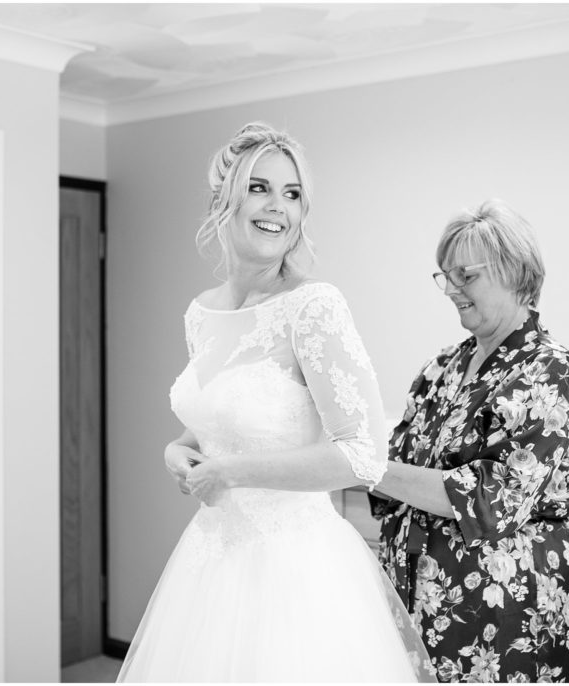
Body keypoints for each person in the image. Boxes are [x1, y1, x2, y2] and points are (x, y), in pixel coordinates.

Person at [117, 122, 432, 682]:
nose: (277, 207)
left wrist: (230, 473)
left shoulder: (313, 307)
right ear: (225, 198)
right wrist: (178, 450)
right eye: (260, 187)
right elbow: (224, 422)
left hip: (296, 572)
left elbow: (363, 455)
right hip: (212, 562)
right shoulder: (201, 314)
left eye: (292, 194)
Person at [370, 201, 569, 682]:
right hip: (414, 600)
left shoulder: (548, 369)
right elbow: (395, 466)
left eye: (466, 276)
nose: (451, 290)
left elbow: (489, 498)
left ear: (514, 272)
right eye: (445, 276)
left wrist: (364, 466)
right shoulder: (439, 368)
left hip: (500, 620)